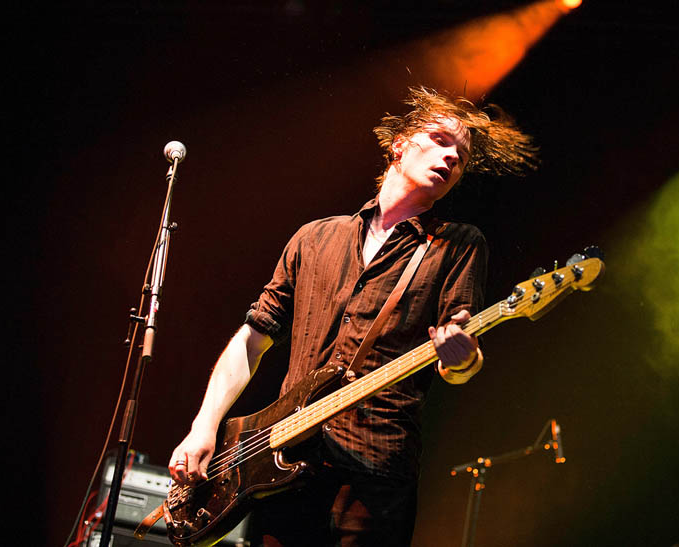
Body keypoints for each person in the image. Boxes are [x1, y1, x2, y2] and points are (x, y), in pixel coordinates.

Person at [168, 87, 534, 546]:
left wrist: (461, 358)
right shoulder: (314, 238)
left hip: (376, 474)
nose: (450, 158)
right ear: (399, 143)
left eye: (460, 157)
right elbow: (252, 339)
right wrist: (205, 426)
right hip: (281, 462)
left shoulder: (459, 244)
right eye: (440, 140)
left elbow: (460, 360)